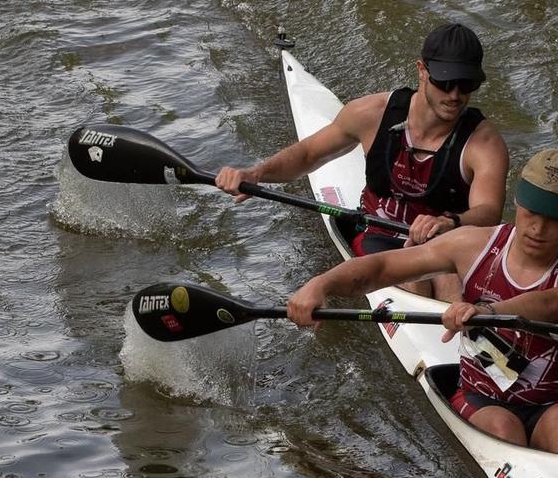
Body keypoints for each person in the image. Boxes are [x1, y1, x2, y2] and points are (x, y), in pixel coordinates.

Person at [286, 148, 558, 457]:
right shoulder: (473, 244)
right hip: (482, 399)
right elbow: (383, 267)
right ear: (517, 200)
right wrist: (321, 284)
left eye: (555, 219)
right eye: (532, 212)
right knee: (503, 426)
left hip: (556, 405)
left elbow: (553, 304)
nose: (538, 228)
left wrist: (488, 313)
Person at [215, 22, 508, 300]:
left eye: (466, 84)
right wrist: (257, 173)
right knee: (417, 282)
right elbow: (308, 155)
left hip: (446, 242)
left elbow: (489, 212)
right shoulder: (372, 114)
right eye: (445, 82)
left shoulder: (484, 144)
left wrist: (450, 221)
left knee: (449, 281)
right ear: (421, 70)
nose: (456, 95)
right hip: (378, 232)